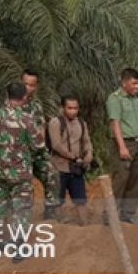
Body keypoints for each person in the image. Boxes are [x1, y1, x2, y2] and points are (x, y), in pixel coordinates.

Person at [0, 81, 47, 260]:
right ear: (24, 98)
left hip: (0, 171)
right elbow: (39, 145)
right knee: (21, 209)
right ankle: (18, 248)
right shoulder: (26, 119)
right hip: (20, 173)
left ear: (7, 95)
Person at [106, 68, 138, 225]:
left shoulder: (137, 101)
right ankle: (110, 215)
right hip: (124, 143)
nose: (137, 87)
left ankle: (128, 213)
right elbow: (115, 123)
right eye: (134, 83)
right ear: (124, 82)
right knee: (120, 179)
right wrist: (122, 147)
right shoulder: (115, 99)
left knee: (135, 180)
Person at [21, 68, 62, 221]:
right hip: (19, 155)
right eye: (25, 84)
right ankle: (22, 220)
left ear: (36, 86)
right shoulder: (11, 104)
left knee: (52, 173)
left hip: (36, 152)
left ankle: (51, 215)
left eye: (31, 85)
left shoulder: (36, 106)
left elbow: (41, 128)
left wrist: (42, 149)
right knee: (24, 186)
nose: (28, 88)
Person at [46, 94, 94, 225]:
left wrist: (89, 155)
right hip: (59, 166)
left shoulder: (81, 123)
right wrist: (74, 157)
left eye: (76, 108)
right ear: (63, 108)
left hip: (76, 168)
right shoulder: (55, 123)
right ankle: (59, 224)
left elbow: (86, 142)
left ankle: (84, 223)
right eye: (70, 108)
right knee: (58, 199)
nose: (73, 111)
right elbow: (56, 145)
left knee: (80, 198)